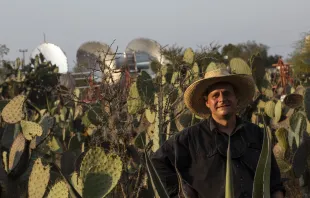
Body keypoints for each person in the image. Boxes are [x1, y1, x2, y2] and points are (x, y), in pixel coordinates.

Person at [151, 67, 285, 198]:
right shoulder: (191, 138)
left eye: (227, 93)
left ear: (236, 98)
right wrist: (177, 192)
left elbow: (273, 180)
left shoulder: (257, 134)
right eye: (215, 95)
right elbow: (157, 163)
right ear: (207, 102)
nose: (222, 99)